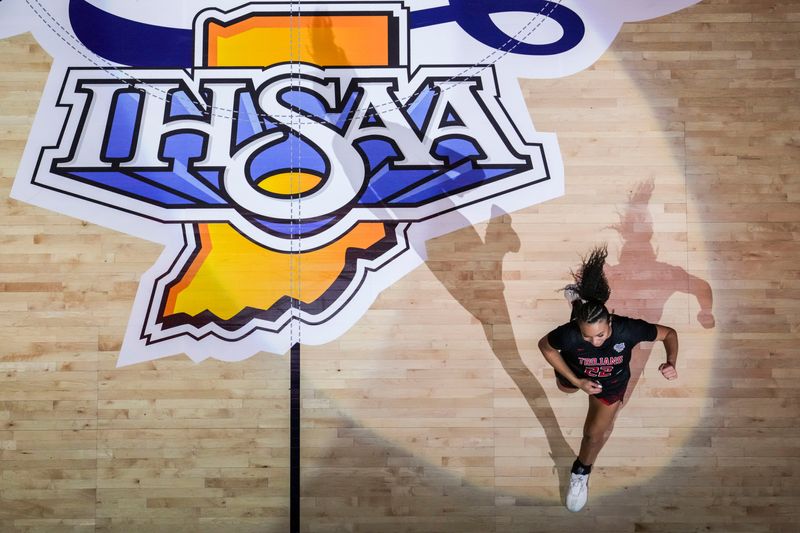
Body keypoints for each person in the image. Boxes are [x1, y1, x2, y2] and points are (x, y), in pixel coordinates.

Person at [537, 245, 679, 512]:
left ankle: (581, 472)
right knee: (564, 389)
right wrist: (576, 381)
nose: (595, 341)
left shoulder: (628, 329)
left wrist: (671, 361)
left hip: (610, 384)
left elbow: (669, 334)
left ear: (610, 322)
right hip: (575, 371)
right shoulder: (568, 335)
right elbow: (545, 347)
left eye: (600, 335)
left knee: (592, 435)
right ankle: (578, 305)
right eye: (588, 336)